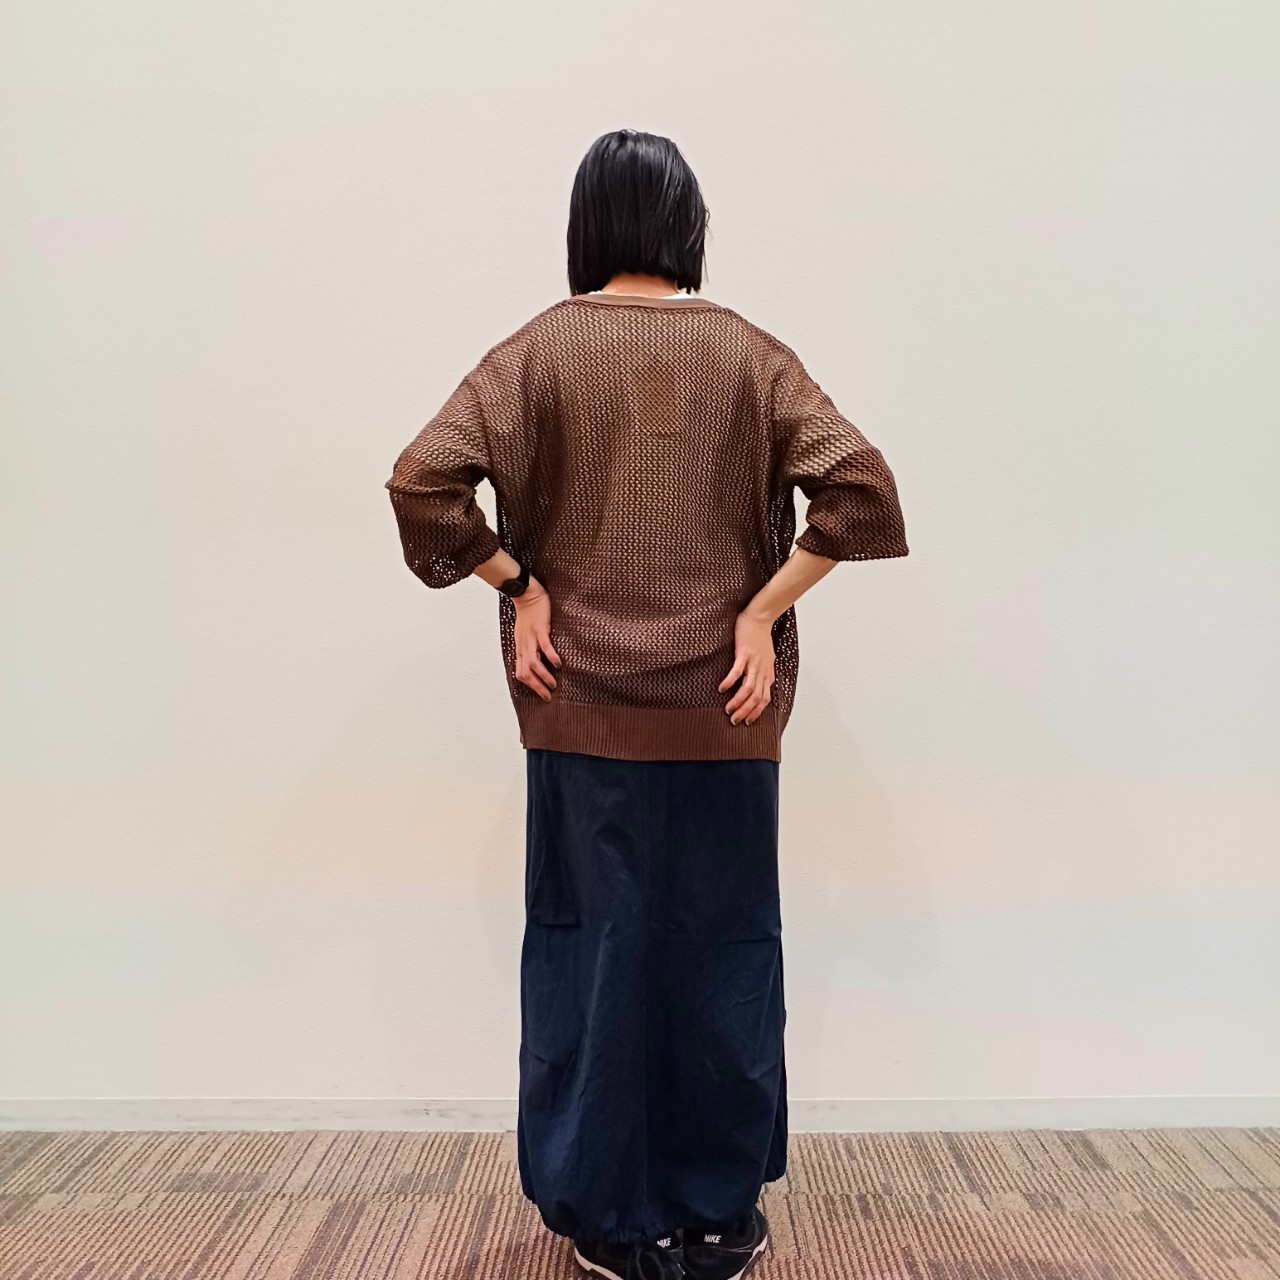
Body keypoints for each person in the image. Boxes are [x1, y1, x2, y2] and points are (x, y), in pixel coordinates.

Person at [384, 128, 909, 1280]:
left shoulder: (534, 354)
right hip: (728, 708)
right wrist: (756, 612)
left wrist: (520, 585)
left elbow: (422, 480)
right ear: (686, 227)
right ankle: (714, 1212)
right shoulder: (750, 356)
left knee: (594, 954)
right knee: (722, 952)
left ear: (586, 226)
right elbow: (860, 489)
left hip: (576, 708)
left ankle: (610, 1215)